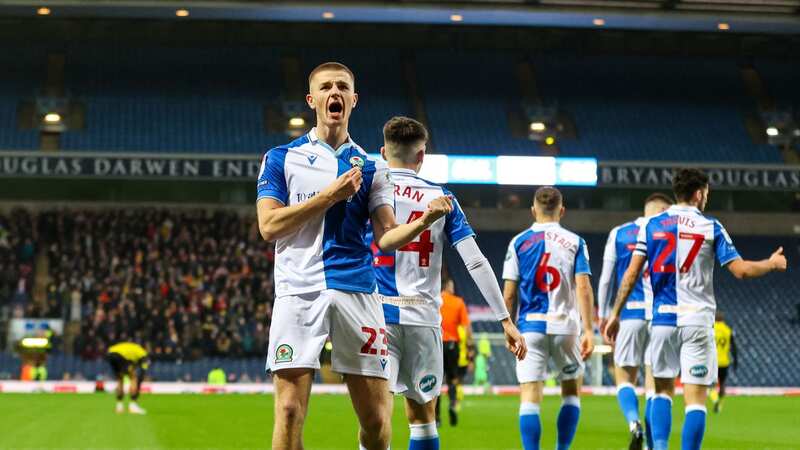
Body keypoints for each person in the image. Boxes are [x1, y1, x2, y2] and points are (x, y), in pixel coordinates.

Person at [256, 63, 453, 450]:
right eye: (326, 87)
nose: (335, 93)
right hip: (299, 291)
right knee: (290, 411)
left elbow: (386, 237)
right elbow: (269, 226)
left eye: (343, 87)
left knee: (378, 422)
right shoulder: (281, 158)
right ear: (312, 100)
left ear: (353, 100)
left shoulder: (374, 168)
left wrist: (424, 219)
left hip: (358, 293)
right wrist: (330, 195)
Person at [367, 116, 525, 448]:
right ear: (421, 156)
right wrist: (505, 320)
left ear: (383, 152)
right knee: (423, 418)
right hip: (424, 318)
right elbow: (475, 261)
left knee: (375, 418)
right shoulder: (442, 197)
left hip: (377, 316)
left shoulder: (368, 190)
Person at [605, 168, 787, 450]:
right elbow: (741, 271)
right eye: (707, 194)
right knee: (696, 401)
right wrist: (772, 263)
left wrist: (615, 313)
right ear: (699, 193)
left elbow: (630, 275)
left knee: (661, 392)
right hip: (698, 323)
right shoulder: (710, 226)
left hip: (662, 320)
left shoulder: (651, 227)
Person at [503, 186, 595, 450]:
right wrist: (588, 330)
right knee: (571, 393)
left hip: (530, 328)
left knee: (530, 397)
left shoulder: (518, 242)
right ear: (562, 210)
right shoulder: (576, 242)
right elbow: (583, 287)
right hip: (566, 326)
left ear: (533, 210)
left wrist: (509, 326)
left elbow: (509, 294)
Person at [598, 193, 673, 450]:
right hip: (661, 315)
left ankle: (633, 422)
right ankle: (654, 446)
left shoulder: (619, 233)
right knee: (656, 386)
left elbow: (607, 279)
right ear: (662, 209)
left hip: (629, 314)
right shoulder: (670, 233)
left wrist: (605, 314)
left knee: (624, 379)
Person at [437, 278, 470, 427]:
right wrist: (471, 350)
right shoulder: (458, 302)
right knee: (453, 379)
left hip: (436, 343)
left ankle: (436, 418)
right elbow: (466, 327)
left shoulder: (435, 301)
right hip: (452, 345)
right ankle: (452, 404)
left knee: (436, 382)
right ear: (448, 286)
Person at [107, 341, 150, 414]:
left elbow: (132, 363)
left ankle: (119, 407)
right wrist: (139, 381)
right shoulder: (142, 352)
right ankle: (133, 405)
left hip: (110, 354)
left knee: (120, 379)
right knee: (134, 378)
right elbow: (143, 368)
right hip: (121, 356)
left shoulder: (134, 348)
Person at [710, 310, 737, 413]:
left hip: (713, 362)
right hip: (724, 362)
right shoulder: (728, 330)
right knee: (722, 384)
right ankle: (720, 404)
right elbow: (734, 347)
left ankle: (715, 399)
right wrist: (735, 361)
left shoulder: (711, 329)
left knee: (711, 385)